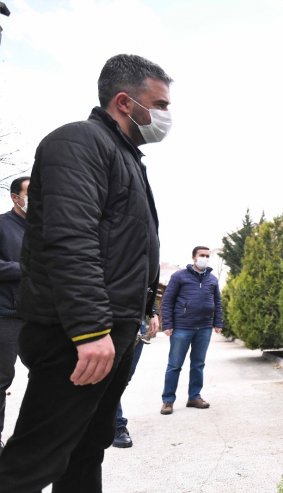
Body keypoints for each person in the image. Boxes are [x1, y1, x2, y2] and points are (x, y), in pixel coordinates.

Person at [0, 54, 171, 492]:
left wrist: (146, 308)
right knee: (33, 460)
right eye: (160, 104)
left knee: (86, 447)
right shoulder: (78, 143)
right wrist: (89, 330)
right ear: (124, 102)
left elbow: (129, 249)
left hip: (112, 331)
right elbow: (70, 241)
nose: (165, 116)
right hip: (75, 338)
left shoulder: (125, 156)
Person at [159, 246, 223, 415]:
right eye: (202, 255)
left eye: (207, 256)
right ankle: (168, 400)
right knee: (174, 365)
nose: (205, 258)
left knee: (198, 364)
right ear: (194, 257)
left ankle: (194, 397)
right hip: (182, 327)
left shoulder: (212, 279)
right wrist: (167, 324)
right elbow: (167, 301)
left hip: (204, 328)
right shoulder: (179, 276)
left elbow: (217, 302)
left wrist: (218, 322)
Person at [0, 175, 30, 452]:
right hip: (7, 315)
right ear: (15, 197)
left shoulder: (46, 228)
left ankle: (39, 435)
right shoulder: (2, 225)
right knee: (1, 380)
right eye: (31, 192)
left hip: (41, 315)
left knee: (50, 375)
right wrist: (26, 268)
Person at [112, 312, 159, 448]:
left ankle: (106, 418)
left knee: (123, 379)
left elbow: (148, 290)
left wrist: (153, 312)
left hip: (138, 324)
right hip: (113, 318)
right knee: (112, 379)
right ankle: (117, 425)